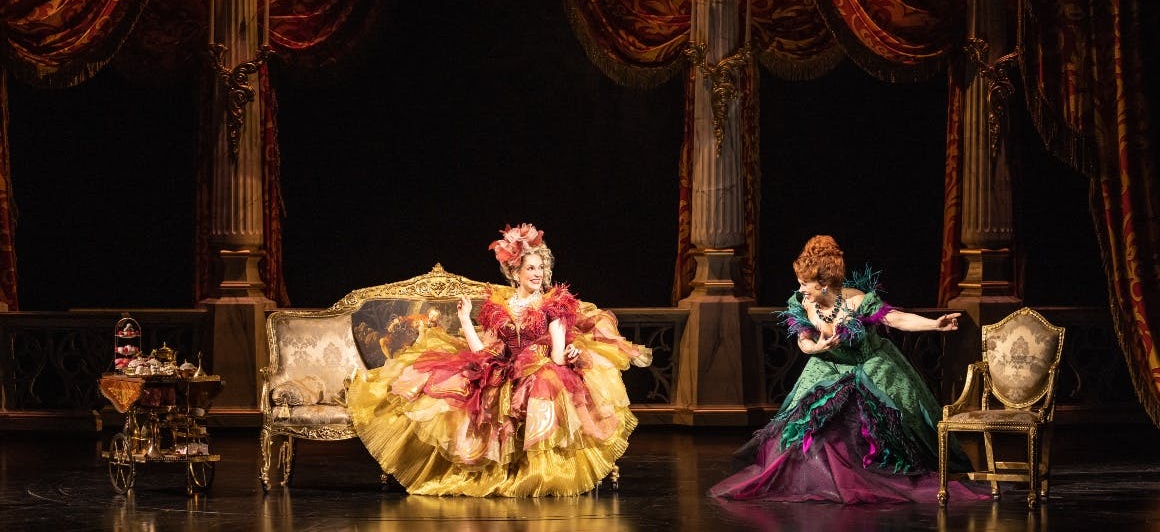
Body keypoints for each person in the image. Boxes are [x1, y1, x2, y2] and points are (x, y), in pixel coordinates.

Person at [346, 223, 652, 497]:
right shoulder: (500, 306)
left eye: (541, 268)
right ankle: (489, 470)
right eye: (531, 268)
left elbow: (558, 354)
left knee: (543, 383)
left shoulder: (553, 306)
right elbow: (482, 350)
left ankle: (539, 473)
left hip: (539, 366)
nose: (537, 274)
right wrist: (465, 319)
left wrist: (572, 354)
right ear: (515, 272)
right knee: (457, 388)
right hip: (502, 366)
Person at [709, 234, 986, 504]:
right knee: (808, 424)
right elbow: (803, 342)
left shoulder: (856, 301)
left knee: (878, 424)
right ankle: (818, 479)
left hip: (869, 366)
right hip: (827, 367)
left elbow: (895, 319)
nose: (801, 289)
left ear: (824, 284)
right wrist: (817, 348)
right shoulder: (802, 303)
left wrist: (934, 324)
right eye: (800, 282)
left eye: (806, 284)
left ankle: (869, 475)